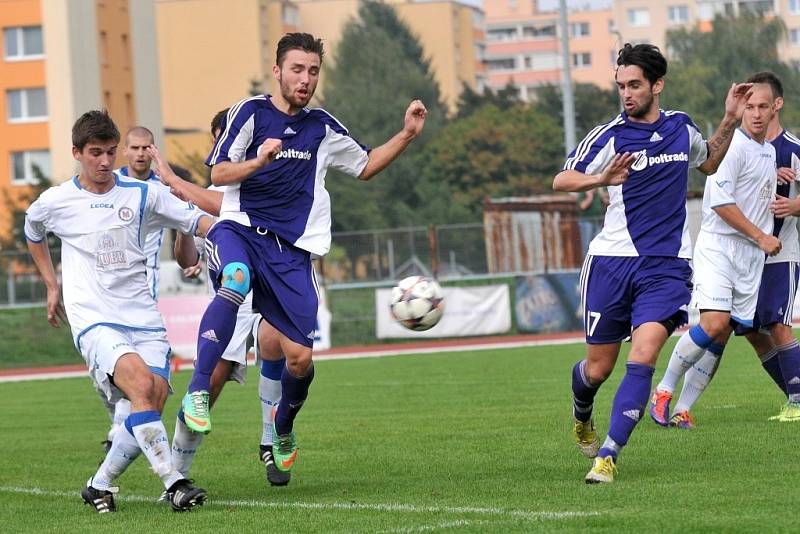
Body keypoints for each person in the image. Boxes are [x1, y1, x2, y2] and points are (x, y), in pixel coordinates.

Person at [154, 32, 427, 478]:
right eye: (297, 69)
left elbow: (365, 166)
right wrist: (259, 162)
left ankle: (281, 426)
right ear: (278, 71)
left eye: (313, 71)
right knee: (236, 279)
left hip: (290, 254)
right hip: (240, 231)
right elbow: (219, 171)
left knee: (300, 358)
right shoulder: (250, 112)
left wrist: (407, 134)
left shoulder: (321, 126)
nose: (305, 79)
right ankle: (198, 391)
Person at [553, 43, 753, 484]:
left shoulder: (682, 127)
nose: (626, 94)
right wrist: (599, 178)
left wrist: (729, 121)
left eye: (635, 85)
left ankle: (607, 454)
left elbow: (709, 161)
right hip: (611, 263)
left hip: (666, 267)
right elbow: (562, 178)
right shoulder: (609, 134)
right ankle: (582, 413)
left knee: (643, 357)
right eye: (621, 86)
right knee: (597, 369)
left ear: (657, 85)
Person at [24, 110, 212, 512]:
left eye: (111, 152)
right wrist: (52, 284)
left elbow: (198, 221)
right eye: (96, 153)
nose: (105, 162)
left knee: (152, 398)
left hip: (143, 315)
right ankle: (174, 482)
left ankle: (99, 484)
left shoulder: (141, 193)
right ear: (77, 153)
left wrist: (246, 237)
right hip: (94, 317)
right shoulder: (57, 201)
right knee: (141, 385)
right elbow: (32, 230)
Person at [659, 72, 800, 425]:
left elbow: (756, 187)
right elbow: (721, 202)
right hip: (724, 248)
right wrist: (762, 237)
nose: (755, 113)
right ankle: (663, 391)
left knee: (730, 329)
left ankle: (682, 409)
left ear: (774, 109)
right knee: (716, 325)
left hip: (755, 257)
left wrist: (778, 180)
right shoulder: (734, 145)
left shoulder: (770, 152)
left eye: (761, 107)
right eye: (749, 106)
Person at [166, 109, 291, 488]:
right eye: (226, 137)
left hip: (270, 297)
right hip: (230, 307)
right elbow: (187, 258)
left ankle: (270, 442)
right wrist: (185, 226)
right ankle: (175, 475)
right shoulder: (210, 197)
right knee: (209, 388)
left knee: (279, 343)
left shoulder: (274, 187)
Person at [94, 126, 165, 453]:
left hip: (144, 283)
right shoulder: (111, 185)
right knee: (115, 362)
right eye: (134, 147)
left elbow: (186, 219)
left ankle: (117, 430)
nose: (139, 153)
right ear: (126, 151)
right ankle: (120, 419)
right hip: (108, 283)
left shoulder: (162, 186)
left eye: (145, 147)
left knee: (139, 365)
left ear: (153, 150)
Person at [576, 188, 605, 257]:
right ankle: (586, 264)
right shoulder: (583, 192)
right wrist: (590, 196)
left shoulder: (598, 193)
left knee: (599, 244)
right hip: (587, 222)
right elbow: (583, 206)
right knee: (587, 244)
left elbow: (606, 202)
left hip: (598, 221)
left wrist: (603, 196)